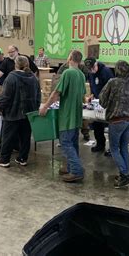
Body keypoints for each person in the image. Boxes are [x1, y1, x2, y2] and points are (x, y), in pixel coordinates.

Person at [39, 50, 86, 183]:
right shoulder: (81, 75)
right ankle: (71, 166)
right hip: (77, 115)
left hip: (67, 116)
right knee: (74, 143)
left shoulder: (68, 73)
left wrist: (45, 107)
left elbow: (56, 93)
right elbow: (83, 96)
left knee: (65, 143)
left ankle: (76, 170)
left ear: (70, 58)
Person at [99, 60, 129, 188]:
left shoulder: (112, 82)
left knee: (114, 149)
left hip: (116, 120)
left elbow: (102, 101)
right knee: (124, 147)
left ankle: (124, 175)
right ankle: (126, 174)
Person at [0, 56, 40, 168]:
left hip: (12, 112)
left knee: (8, 137)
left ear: (15, 64)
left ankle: (4, 159)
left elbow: (5, 96)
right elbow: (38, 96)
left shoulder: (12, 77)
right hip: (29, 113)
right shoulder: (33, 78)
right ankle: (22, 158)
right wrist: (35, 109)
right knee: (25, 137)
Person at [84, 57, 114, 153]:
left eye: (93, 67)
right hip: (97, 102)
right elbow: (93, 86)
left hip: (108, 103)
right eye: (89, 69)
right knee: (96, 123)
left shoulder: (106, 72)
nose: (92, 70)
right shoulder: (90, 73)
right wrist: (92, 95)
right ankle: (100, 144)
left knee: (111, 125)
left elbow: (112, 88)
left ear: (96, 64)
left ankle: (112, 148)